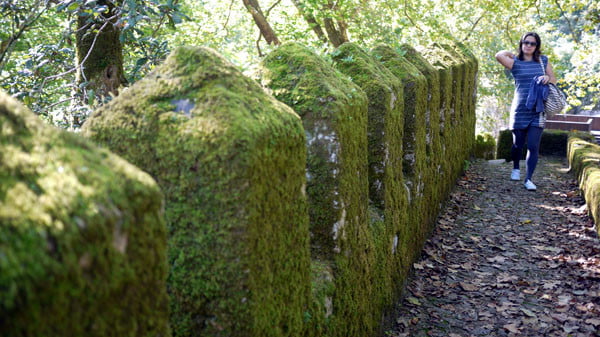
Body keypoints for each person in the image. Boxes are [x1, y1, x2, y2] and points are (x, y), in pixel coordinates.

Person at [495, 32, 557, 191]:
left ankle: (528, 179)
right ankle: (516, 167)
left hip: (538, 110)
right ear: (521, 43)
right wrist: (512, 53)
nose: (529, 46)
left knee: (533, 146)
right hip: (520, 109)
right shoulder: (514, 62)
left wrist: (546, 78)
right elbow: (499, 55)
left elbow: (553, 80)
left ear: (537, 46)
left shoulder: (543, 61)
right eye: (526, 42)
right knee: (517, 144)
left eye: (532, 43)